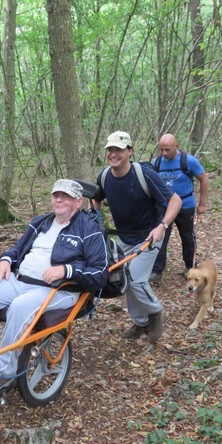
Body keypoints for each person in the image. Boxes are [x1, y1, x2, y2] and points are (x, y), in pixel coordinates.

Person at [0, 179, 108, 400]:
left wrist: (67, 271)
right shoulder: (41, 222)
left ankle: (6, 370)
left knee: (20, 306)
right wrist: (5, 260)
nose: (59, 200)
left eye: (65, 196)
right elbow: (17, 249)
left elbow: (99, 273)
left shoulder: (89, 230)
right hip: (21, 281)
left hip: (58, 290)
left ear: (78, 201)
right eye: (56, 195)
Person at [93, 131, 181, 342]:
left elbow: (175, 201)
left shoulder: (144, 174)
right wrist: (94, 219)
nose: (113, 154)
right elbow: (95, 199)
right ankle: (141, 323)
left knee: (135, 280)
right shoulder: (104, 176)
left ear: (129, 151)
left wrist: (162, 226)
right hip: (123, 239)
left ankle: (155, 312)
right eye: (110, 150)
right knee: (124, 280)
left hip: (148, 237)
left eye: (119, 150)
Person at [149, 133, 209, 284]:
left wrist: (202, 203)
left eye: (167, 150)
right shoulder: (156, 163)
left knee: (188, 237)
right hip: (165, 207)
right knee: (160, 237)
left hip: (185, 205)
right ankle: (156, 271)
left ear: (176, 146)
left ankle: (190, 267)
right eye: (161, 149)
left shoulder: (188, 161)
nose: (164, 153)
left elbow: (203, 179)